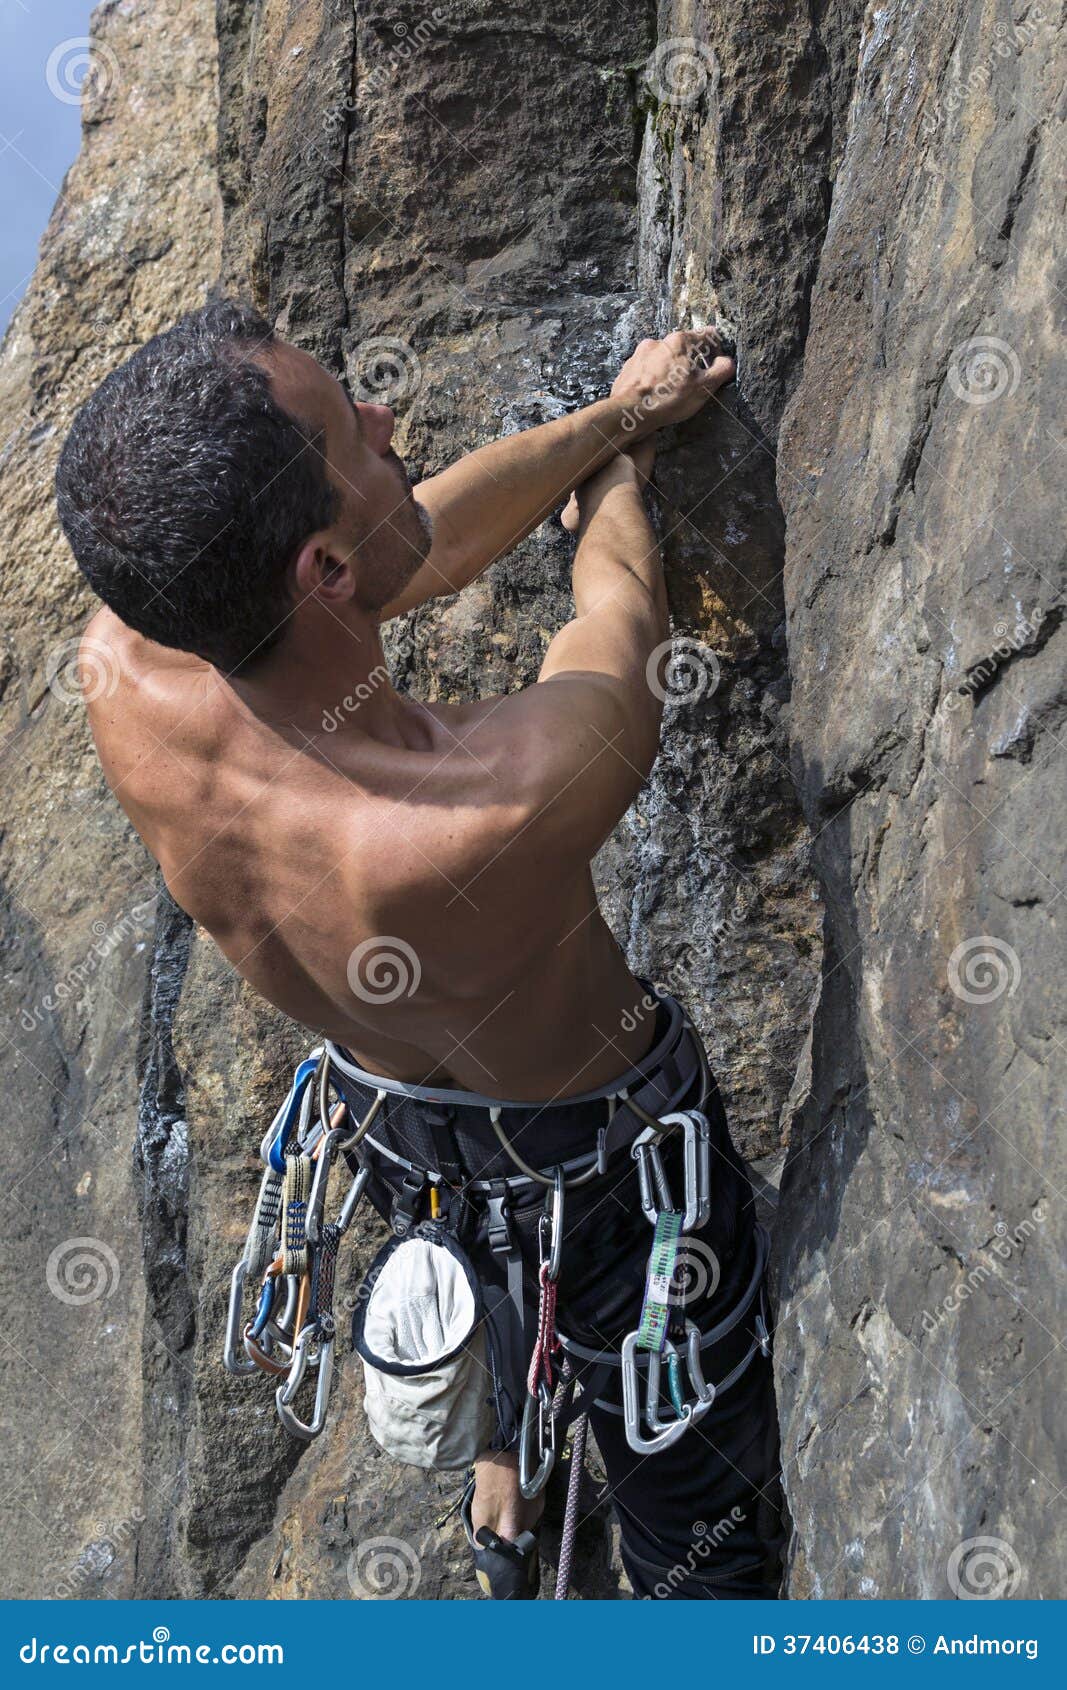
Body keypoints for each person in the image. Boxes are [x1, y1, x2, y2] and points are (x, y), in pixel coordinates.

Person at [55, 298, 782, 1598]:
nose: (391, 418)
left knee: (480, 1226)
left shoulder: (132, 652)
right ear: (322, 575)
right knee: (704, 1543)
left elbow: (417, 541)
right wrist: (624, 465)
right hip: (607, 1172)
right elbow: (616, 605)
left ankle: (506, 1482)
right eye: (358, 432)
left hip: (393, 1118)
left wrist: (614, 411)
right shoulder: (496, 804)